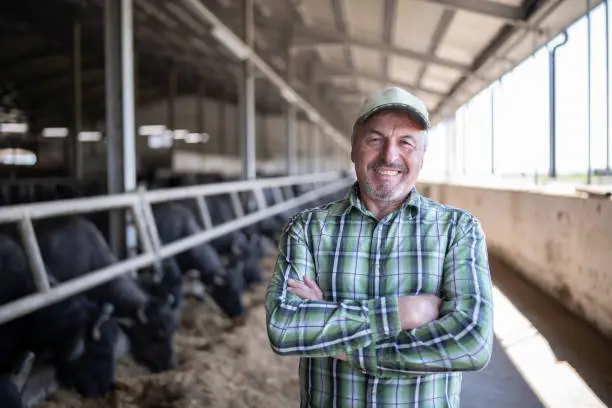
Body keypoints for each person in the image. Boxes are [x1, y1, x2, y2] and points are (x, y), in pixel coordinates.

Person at [265, 86, 493, 407]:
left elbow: (471, 343)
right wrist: (403, 312)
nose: (389, 155)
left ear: (422, 156)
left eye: (406, 142)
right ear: (354, 147)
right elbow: (284, 328)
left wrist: (343, 345)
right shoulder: (307, 229)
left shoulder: (458, 230)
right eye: (375, 139)